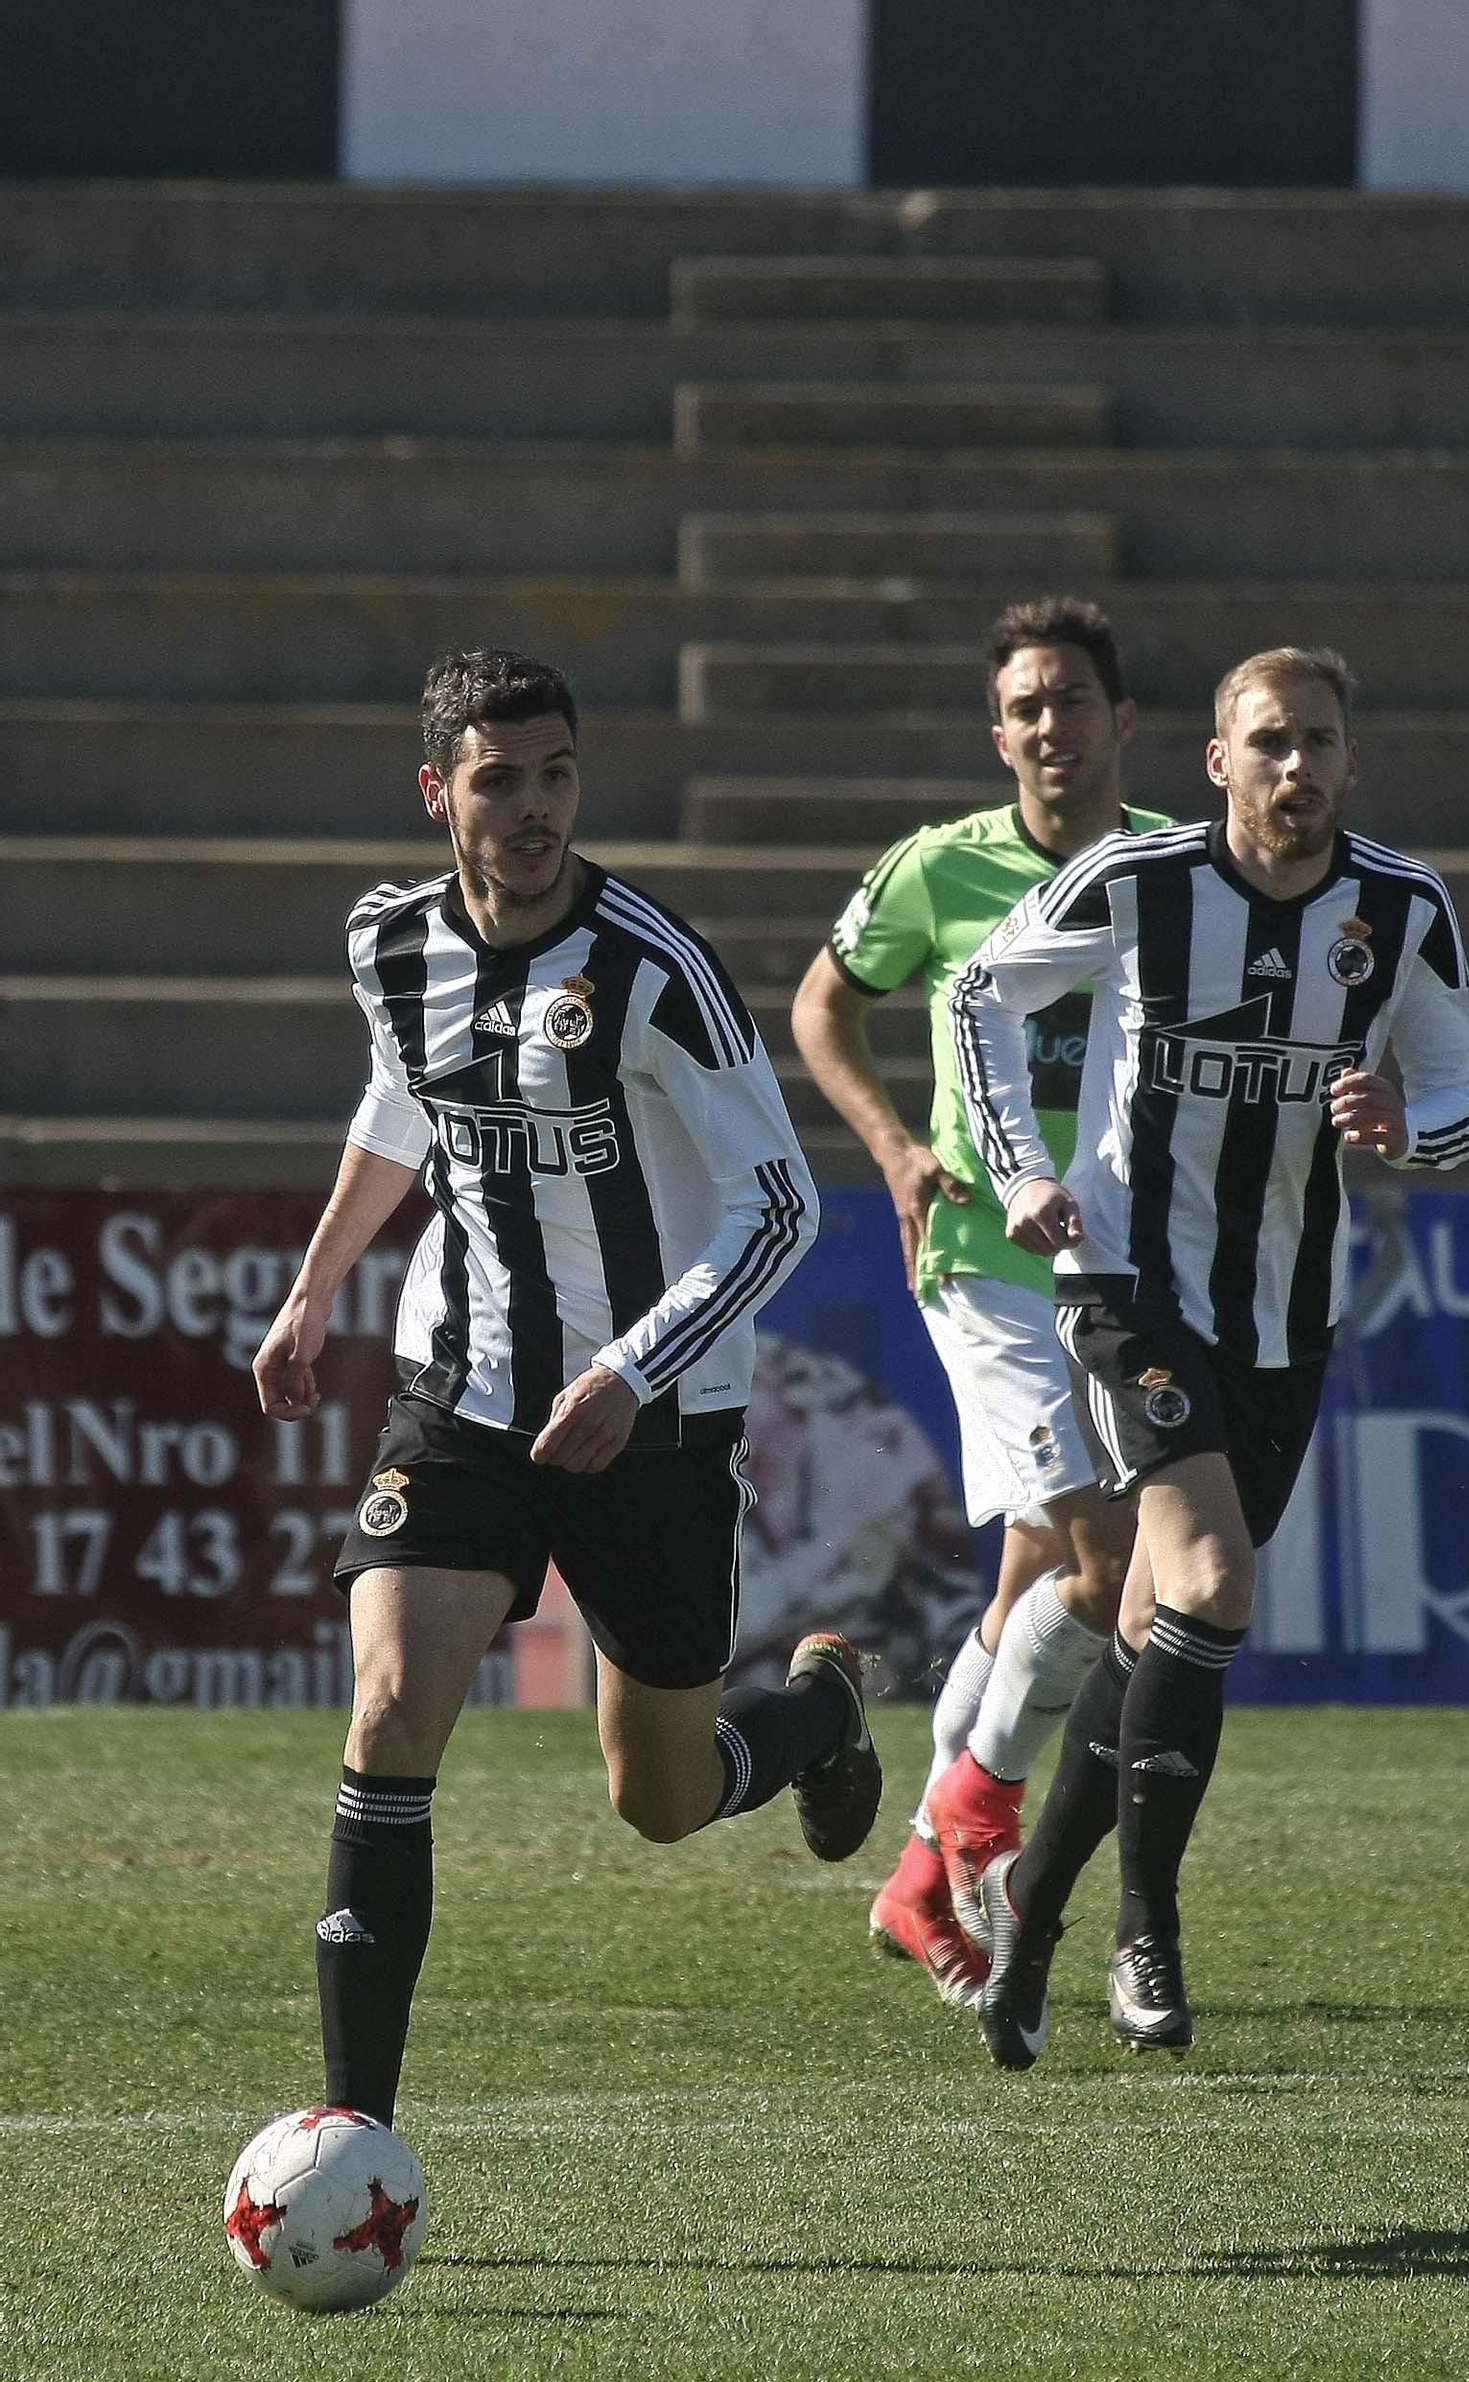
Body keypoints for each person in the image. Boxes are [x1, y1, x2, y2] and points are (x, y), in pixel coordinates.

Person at [252, 646, 880, 2129]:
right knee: (394, 1705)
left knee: (660, 1800)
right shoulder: (387, 944)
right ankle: (359, 2139)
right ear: (438, 794)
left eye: (556, 776)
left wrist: (630, 1365)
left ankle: (817, 1713)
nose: (534, 809)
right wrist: (314, 1283)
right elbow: (403, 1095)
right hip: (460, 1392)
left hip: (650, 1423)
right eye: (498, 780)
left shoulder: (651, 966)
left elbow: (782, 1200)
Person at [950, 645, 1469, 2070]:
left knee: (1148, 1646)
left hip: (1283, 1319)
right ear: (1217, 760)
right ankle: (1150, 1926)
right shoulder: (1140, 887)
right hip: (1127, 1288)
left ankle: (1033, 1916)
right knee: (1209, 1581)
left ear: (1351, 763)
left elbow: (1465, 1088)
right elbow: (976, 998)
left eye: (1319, 743)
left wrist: (1405, 1119)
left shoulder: (1399, 903)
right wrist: (1018, 1174)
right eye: (1269, 743)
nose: (1296, 768)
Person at [791, 597, 1172, 2007]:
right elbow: (823, 1004)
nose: (1049, 727)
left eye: (1072, 701)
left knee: (1031, 1586)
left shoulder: (1169, 872)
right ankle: (975, 1833)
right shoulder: (939, 870)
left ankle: (917, 1868)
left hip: (1122, 1265)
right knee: (1104, 1543)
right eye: (1025, 707)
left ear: (1122, 723)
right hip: (985, 1263)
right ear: (997, 730)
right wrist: (896, 1150)